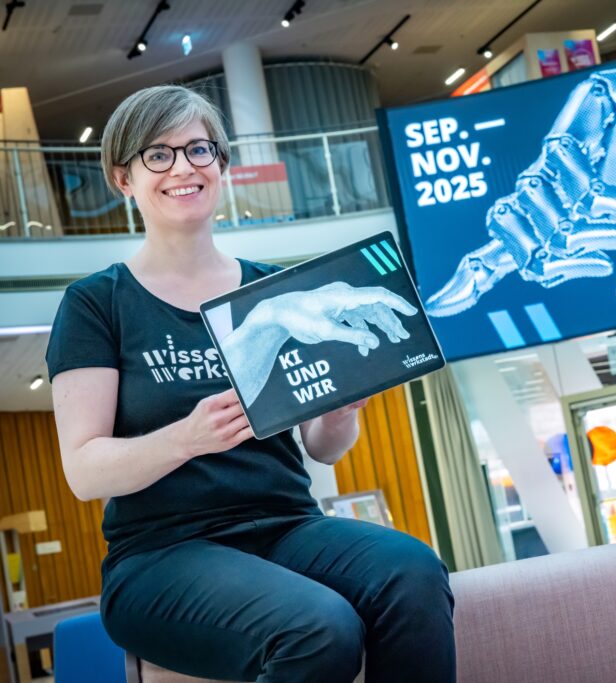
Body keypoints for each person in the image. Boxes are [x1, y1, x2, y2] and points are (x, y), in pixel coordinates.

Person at [45, 85, 455, 683]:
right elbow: (84, 470)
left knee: (414, 572)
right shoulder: (96, 303)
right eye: (157, 155)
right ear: (122, 178)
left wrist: (343, 407)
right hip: (160, 554)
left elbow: (321, 447)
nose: (183, 167)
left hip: (288, 525)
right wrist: (187, 438)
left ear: (222, 166)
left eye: (198, 150)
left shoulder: (278, 289)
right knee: (319, 628)